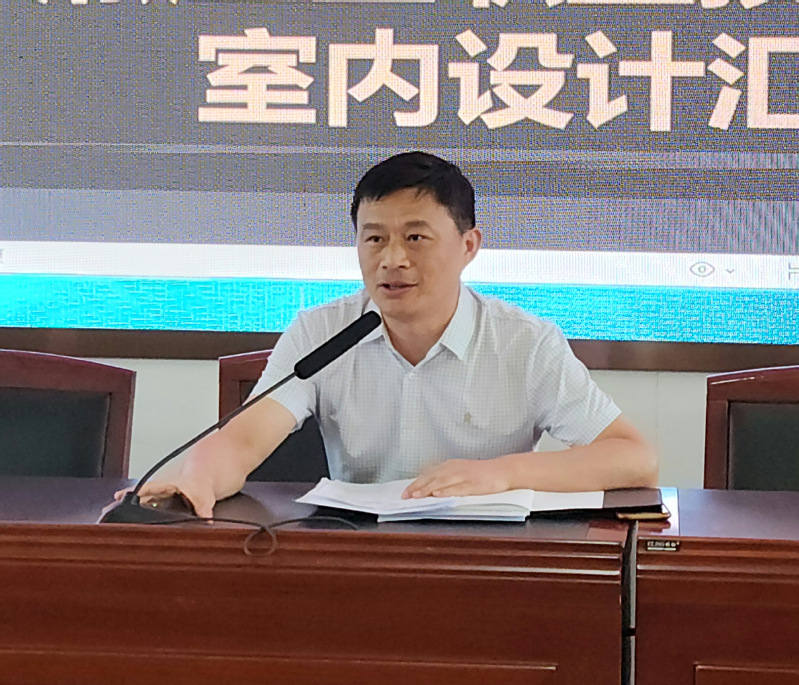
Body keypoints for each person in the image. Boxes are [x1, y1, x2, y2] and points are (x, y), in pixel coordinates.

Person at [118, 152, 657, 518]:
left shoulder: (525, 342)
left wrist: (503, 474)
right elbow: (241, 441)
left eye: (415, 237)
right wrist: (195, 480)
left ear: (469, 245)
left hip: (488, 561)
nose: (392, 259)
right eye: (374, 238)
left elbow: (634, 458)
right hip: (359, 557)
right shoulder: (321, 332)